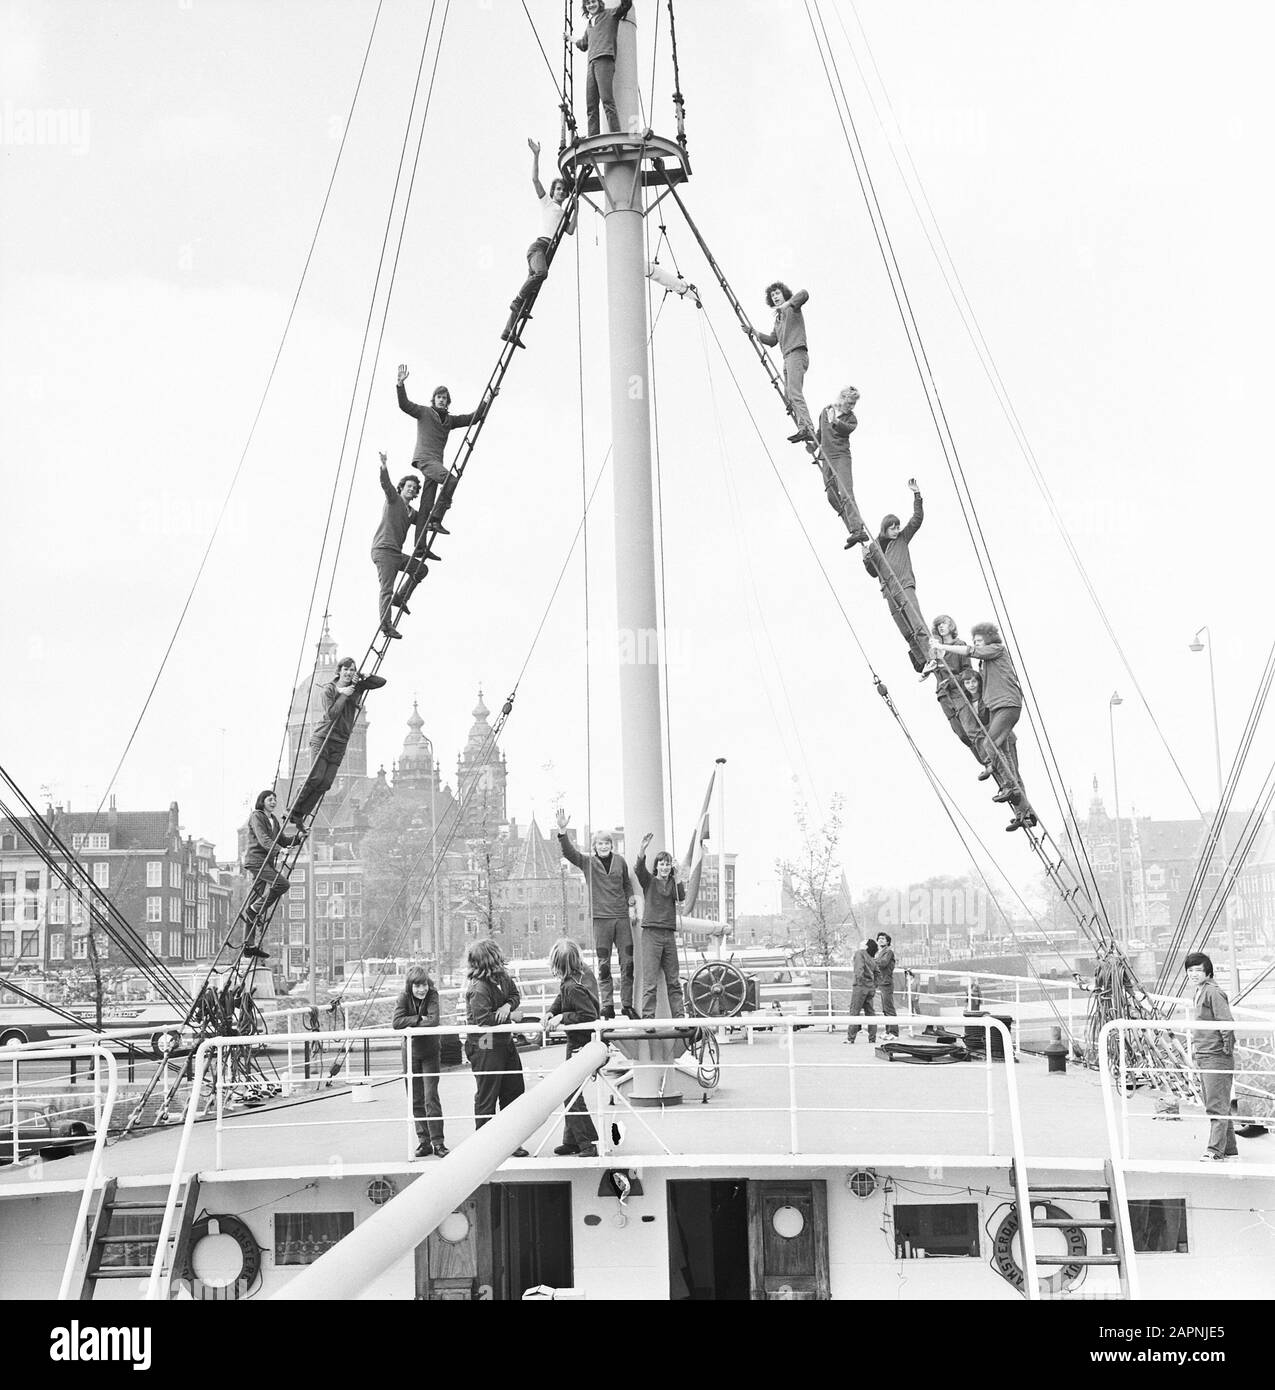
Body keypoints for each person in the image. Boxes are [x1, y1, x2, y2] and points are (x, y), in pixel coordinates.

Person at [931, 622, 1038, 831]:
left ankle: (1012, 791)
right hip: (999, 709)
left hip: (1007, 704)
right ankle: (1024, 812)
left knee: (993, 750)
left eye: (980, 641)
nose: (976, 645)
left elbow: (972, 651)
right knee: (1005, 760)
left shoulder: (997, 650)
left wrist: (946, 649)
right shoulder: (984, 673)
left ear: (989, 640)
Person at [555, 809, 638, 1019]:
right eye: (600, 844)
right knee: (604, 965)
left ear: (611, 845)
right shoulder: (588, 863)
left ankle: (627, 1004)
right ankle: (608, 1005)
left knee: (628, 962)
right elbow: (569, 853)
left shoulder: (620, 861)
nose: (604, 846)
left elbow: (627, 884)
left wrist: (631, 903)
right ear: (595, 846)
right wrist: (562, 831)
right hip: (601, 919)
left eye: (607, 843)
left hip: (621, 918)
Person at [287, 659, 387, 827]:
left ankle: (301, 814)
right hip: (323, 738)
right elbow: (331, 714)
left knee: (326, 783)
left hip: (340, 742)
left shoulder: (357, 686)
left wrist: (363, 676)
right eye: (346, 669)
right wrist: (344, 695)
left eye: (352, 670)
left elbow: (381, 682)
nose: (349, 673)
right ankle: (293, 809)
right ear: (339, 671)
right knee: (316, 776)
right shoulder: (329, 689)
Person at [395, 365, 490, 541]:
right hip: (425, 460)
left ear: (448, 402)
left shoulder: (449, 420)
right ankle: (436, 519)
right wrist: (400, 384)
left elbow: (472, 418)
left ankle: (420, 545)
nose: (441, 400)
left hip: (436, 463)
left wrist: (487, 400)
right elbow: (405, 405)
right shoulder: (424, 412)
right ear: (434, 399)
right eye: (439, 397)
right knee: (451, 480)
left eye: (444, 398)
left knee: (426, 504)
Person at [502, 139, 579, 348]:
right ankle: (517, 300)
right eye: (558, 189)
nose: (561, 192)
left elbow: (570, 230)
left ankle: (509, 330)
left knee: (532, 291)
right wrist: (536, 155)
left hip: (545, 253)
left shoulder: (563, 213)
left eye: (564, 190)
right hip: (538, 248)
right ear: (553, 192)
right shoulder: (547, 204)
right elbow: (535, 180)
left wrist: (577, 209)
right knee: (540, 274)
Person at [464, 938, 529, 1153]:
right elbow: (483, 1020)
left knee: (514, 1090)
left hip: (503, 1041)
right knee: (487, 1094)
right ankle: (485, 1144)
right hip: (485, 1044)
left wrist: (507, 1006)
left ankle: (510, 1141)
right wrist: (510, 1015)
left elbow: (514, 995)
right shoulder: (479, 989)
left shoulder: (502, 978)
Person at [863, 479, 930, 673]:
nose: (896, 530)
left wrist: (917, 495)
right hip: (889, 592)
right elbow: (873, 572)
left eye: (898, 527)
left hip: (904, 585)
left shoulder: (902, 538)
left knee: (917, 622)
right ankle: (922, 660)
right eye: (893, 528)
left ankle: (931, 655)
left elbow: (916, 520)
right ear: (885, 528)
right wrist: (866, 560)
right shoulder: (875, 547)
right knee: (906, 629)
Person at [545, 937, 601, 1157]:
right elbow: (562, 997)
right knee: (572, 1090)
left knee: (570, 1092)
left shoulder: (572, 986)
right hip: (583, 1042)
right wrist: (552, 1011)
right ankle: (572, 1140)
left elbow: (588, 1015)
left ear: (557, 965)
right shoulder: (581, 975)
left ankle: (585, 1143)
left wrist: (562, 1017)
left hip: (580, 1044)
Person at [745, 282, 815, 444]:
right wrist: (753, 332)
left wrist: (787, 304)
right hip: (787, 357)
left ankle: (808, 428)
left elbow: (804, 293)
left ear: (784, 294)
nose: (775, 297)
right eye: (772, 296)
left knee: (795, 392)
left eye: (777, 293)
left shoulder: (792, 308)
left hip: (797, 353)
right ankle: (802, 427)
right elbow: (772, 341)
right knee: (789, 395)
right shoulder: (778, 320)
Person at [1185, 952, 1238, 1161]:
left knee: (1215, 1104)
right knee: (1217, 1102)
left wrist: (1226, 1050)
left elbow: (1226, 1022)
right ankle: (1230, 1149)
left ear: (1208, 970)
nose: (1194, 974)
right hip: (1204, 1053)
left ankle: (1215, 1151)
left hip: (1216, 1055)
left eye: (1198, 970)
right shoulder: (1200, 991)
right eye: (1190, 971)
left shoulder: (1213, 993)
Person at [371, 452, 429, 640]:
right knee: (386, 588)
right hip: (384, 550)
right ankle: (386, 625)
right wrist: (384, 466)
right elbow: (385, 484)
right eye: (408, 486)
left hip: (396, 553)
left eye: (414, 488)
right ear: (401, 488)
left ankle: (401, 597)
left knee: (420, 569)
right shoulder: (393, 499)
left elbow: (425, 519)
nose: (411, 489)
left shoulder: (412, 512)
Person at [393, 965, 447, 1158]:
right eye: (417, 986)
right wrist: (418, 1018)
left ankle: (438, 1142)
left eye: (423, 984)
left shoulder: (433, 995)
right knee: (415, 1098)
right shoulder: (403, 998)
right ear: (410, 986)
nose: (421, 989)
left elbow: (433, 1021)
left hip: (431, 1052)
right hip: (410, 1054)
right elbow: (396, 1023)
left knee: (430, 1096)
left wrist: (412, 1020)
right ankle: (423, 1142)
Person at [242, 790, 299, 959]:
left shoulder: (273, 820)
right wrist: (279, 850)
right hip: (256, 860)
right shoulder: (256, 816)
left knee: (254, 899)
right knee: (282, 884)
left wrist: (299, 837)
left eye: (275, 799)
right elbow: (263, 839)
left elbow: (282, 840)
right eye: (270, 799)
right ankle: (255, 909)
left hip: (266, 862)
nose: (273, 802)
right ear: (262, 801)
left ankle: (249, 945)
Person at [634, 834, 686, 1019]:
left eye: (667, 864)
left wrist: (678, 875)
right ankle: (648, 1019)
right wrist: (643, 849)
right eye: (661, 864)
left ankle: (679, 1017)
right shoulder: (649, 881)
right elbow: (639, 869)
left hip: (668, 935)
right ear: (656, 866)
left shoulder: (673, 884)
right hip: (651, 934)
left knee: (674, 980)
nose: (664, 867)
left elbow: (681, 895)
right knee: (650, 982)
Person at [931, 615, 986, 768]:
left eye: (944, 624)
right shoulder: (935, 649)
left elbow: (968, 671)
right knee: (961, 733)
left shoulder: (959, 645)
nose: (941, 627)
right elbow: (921, 665)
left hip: (958, 692)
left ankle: (989, 761)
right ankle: (983, 762)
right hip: (943, 695)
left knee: (971, 728)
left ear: (951, 626)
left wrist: (952, 680)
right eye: (938, 625)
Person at [816, 387, 868, 547]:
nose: (851, 406)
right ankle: (852, 528)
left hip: (841, 457)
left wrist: (836, 422)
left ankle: (858, 528)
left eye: (853, 404)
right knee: (832, 496)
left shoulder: (851, 419)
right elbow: (821, 432)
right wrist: (813, 444)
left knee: (846, 492)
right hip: (826, 456)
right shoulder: (826, 411)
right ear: (842, 398)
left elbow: (845, 429)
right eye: (849, 402)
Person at [574, 0, 634, 138]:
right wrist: (570, 38)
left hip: (604, 59)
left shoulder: (610, 14)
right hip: (591, 63)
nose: (591, 5)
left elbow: (625, 6)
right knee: (591, 105)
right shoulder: (589, 25)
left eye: (593, 2)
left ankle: (616, 136)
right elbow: (583, 44)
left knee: (607, 101)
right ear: (585, 7)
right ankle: (593, 138)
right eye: (588, 3)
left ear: (599, 3)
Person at [845, 938, 879, 1043]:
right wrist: (873, 985)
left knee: (854, 1012)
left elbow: (858, 969)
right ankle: (872, 1038)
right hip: (870, 987)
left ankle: (851, 1038)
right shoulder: (872, 958)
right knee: (870, 1013)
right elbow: (877, 972)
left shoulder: (860, 953)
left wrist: (860, 982)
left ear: (866, 946)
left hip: (860, 987)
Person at [875, 932, 899, 1038]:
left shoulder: (889, 952)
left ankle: (894, 1032)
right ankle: (888, 1030)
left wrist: (872, 961)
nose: (880, 940)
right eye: (879, 938)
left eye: (883, 939)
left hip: (887, 983)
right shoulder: (880, 952)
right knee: (885, 1009)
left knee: (889, 1008)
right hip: (881, 982)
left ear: (887, 941)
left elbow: (883, 963)